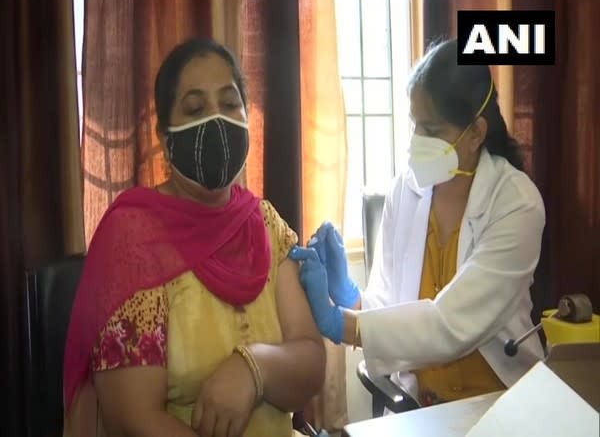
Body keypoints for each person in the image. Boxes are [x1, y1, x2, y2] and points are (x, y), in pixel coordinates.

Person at [63, 39, 325, 437]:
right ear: (166, 136)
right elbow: (135, 421)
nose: (217, 120)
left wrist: (254, 367)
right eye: (195, 108)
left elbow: (310, 363)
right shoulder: (135, 240)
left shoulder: (265, 223)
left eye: (230, 103)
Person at [290, 39, 545, 406]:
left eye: (432, 129)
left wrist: (339, 322)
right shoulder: (405, 190)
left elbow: (449, 325)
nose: (416, 142)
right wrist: (351, 296)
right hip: (421, 407)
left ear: (475, 133)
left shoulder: (517, 204)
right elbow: (390, 307)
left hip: (501, 403)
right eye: (415, 125)